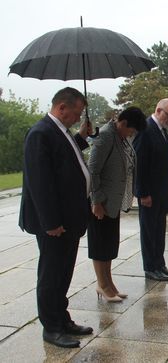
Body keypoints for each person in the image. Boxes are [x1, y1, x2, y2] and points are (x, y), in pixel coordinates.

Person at [19, 87, 93, 348]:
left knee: (63, 273)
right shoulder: (40, 133)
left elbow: (66, 159)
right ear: (62, 107)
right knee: (51, 275)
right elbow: (40, 182)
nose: (78, 117)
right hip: (54, 223)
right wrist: (50, 222)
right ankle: (51, 327)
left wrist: (82, 136)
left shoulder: (61, 132)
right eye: (76, 112)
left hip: (70, 219)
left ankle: (62, 318)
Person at [88, 107, 147, 302]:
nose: (131, 134)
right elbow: (93, 170)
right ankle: (102, 285)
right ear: (123, 123)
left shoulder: (120, 137)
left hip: (113, 201)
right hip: (101, 202)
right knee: (100, 244)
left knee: (110, 244)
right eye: (131, 131)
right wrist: (96, 201)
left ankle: (109, 283)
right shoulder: (105, 136)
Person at [133, 98, 168, 281]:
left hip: (161, 191)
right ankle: (150, 267)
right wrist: (143, 193)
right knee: (149, 231)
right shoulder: (145, 130)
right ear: (158, 110)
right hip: (149, 193)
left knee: (159, 230)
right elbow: (139, 164)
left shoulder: (162, 130)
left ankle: (160, 264)